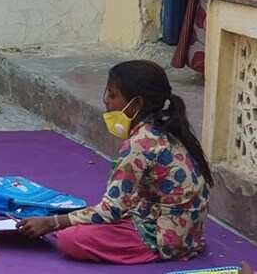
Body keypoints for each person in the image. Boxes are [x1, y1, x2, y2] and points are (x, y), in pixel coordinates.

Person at [17, 60, 213, 264]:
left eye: (112, 95)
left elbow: (111, 209)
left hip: (165, 237)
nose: (106, 101)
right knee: (77, 224)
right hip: (187, 232)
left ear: (136, 104)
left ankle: (150, 249)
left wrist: (53, 222)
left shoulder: (140, 143)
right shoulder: (165, 130)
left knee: (71, 238)